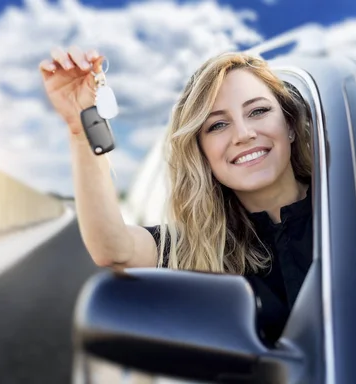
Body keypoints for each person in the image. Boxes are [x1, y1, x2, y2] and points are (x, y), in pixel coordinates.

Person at [39, 46, 313, 343]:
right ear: (202, 154)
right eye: (218, 124)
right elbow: (112, 248)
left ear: (290, 126)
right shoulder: (199, 247)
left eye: (258, 111)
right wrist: (82, 128)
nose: (243, 134)